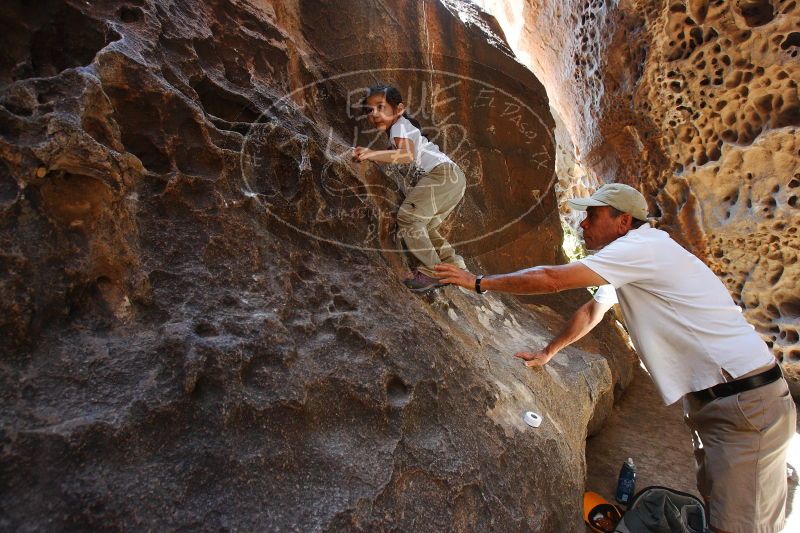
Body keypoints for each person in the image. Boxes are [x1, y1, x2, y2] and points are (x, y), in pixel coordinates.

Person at [434, 183, 796, 533]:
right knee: (718, 507)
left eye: (592, 216)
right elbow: (592, 312)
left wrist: (478, 281)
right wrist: (548, 352)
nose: (583, 224)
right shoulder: (631, 261)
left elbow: (551, 279)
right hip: (719, 404)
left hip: (745, 406)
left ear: (623, 222)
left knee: (738, 525)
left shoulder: (643, 247)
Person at [353, 85, 467, 292]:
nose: (375, 114)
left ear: (399, 109)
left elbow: (407, 155)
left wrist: (370, 154)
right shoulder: (401, 131)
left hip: (441, 175)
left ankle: (432, 271)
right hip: (454, 178)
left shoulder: (400, 126)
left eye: (381, 107)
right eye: (370, 110)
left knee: (408, 218)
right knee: (426, 226)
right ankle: (454, 266)